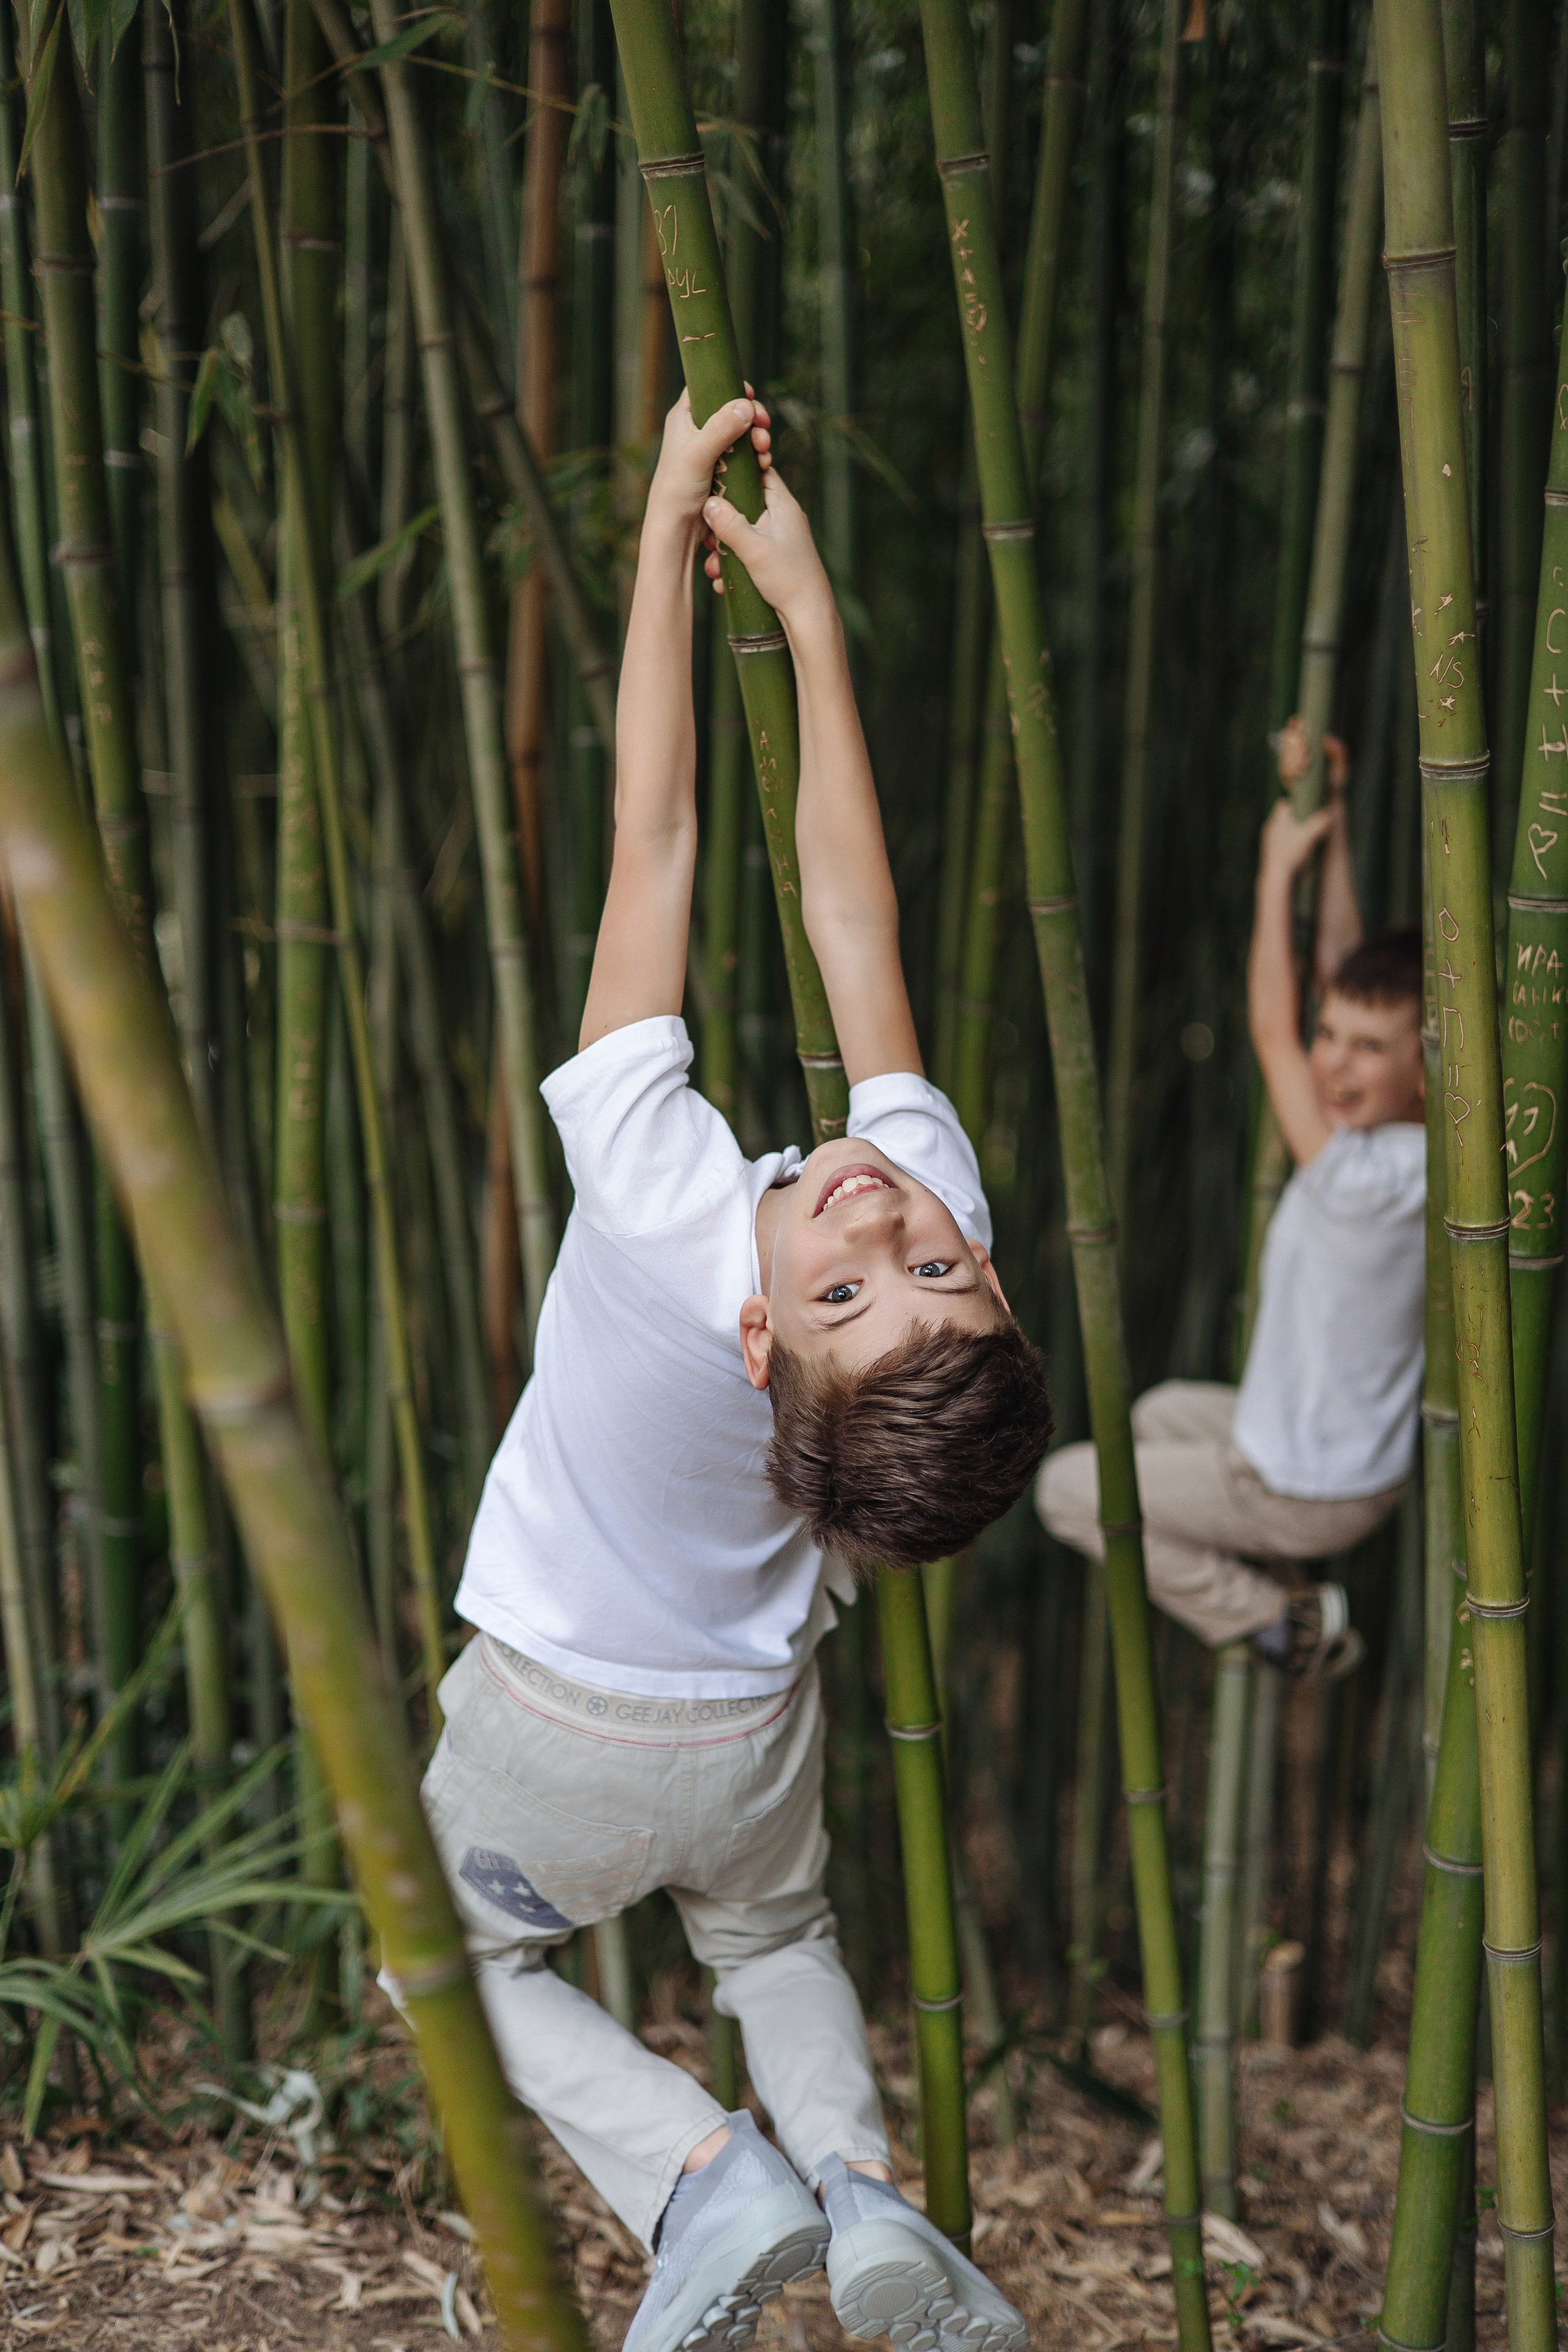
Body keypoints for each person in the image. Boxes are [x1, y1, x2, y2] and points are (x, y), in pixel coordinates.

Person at [405, 391, 1052, 2352]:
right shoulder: (884, 1222)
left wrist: (682, 556)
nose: (873, 1215)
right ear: (982, 1265)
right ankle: (856, 2190)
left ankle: (700, 2174)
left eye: (859, 1290)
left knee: (446, 1958)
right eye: (927, 1257)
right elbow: (852, 909)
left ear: (766, 1348)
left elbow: (659, 830)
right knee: (772, 1928)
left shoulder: (659, 1185)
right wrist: (817, 623)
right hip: (753, 1734)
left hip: (551, 1719)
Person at [1036, 717, 1425, 1678]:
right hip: (1312, 1439)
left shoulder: (1369, 1179)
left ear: (1432, 1065)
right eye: (1330, 1036)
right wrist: (1326, 823)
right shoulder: (1406, 1146)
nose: (1335, 1062)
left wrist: (1271, 873)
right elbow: (1342, 974)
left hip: (1309, 1484)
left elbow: (1269, 1031)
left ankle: (1282, 1622)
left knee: (1067, 1492)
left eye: (1369, 1049)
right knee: (1162, 1410)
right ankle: (1265, 1572)